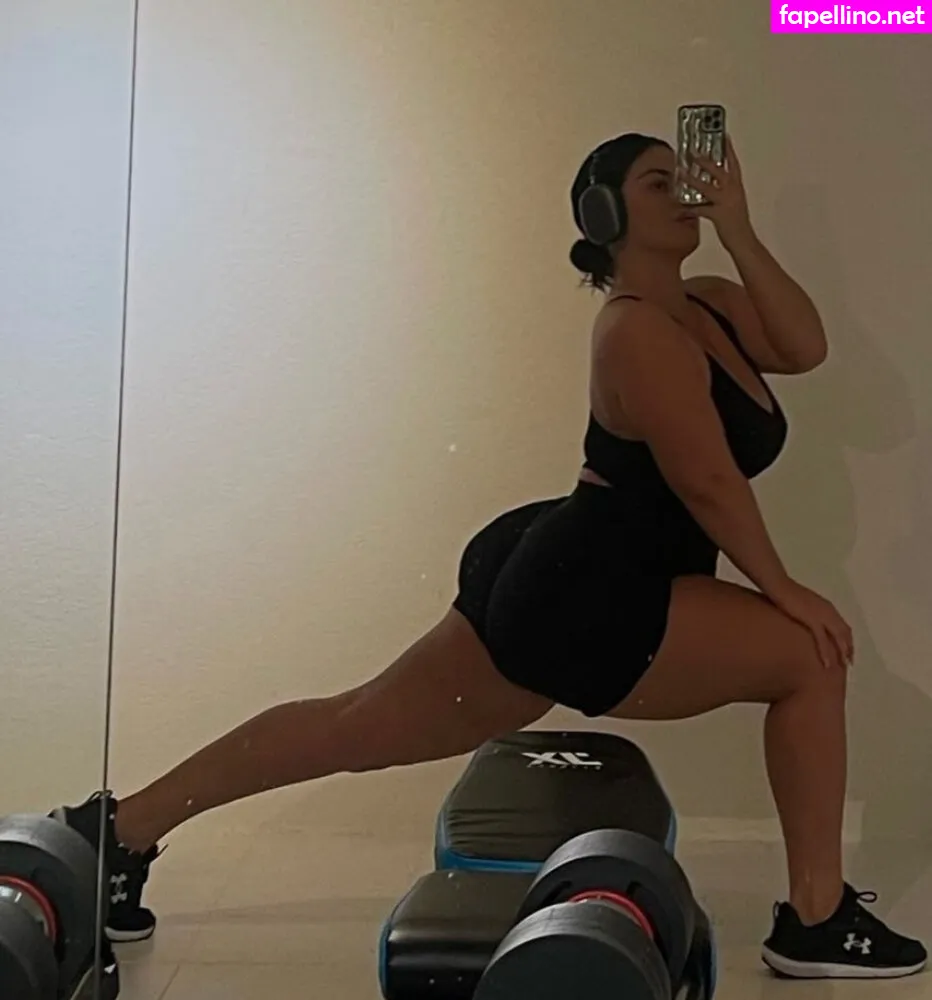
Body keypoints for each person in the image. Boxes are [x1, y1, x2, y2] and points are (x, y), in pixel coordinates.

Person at [55, 131, 926, 980]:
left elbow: (805, 346)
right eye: (656, 182)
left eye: (682, 175)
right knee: (809, 658)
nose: (681, 192)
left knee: (359, 725)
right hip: (590, 592)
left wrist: (737, 225)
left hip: (574, 565)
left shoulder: (710, 305)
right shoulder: (634, 332)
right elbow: (706, 480)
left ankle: (119, 831)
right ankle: (815, 919)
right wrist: (785, 589)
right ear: (605, 215)